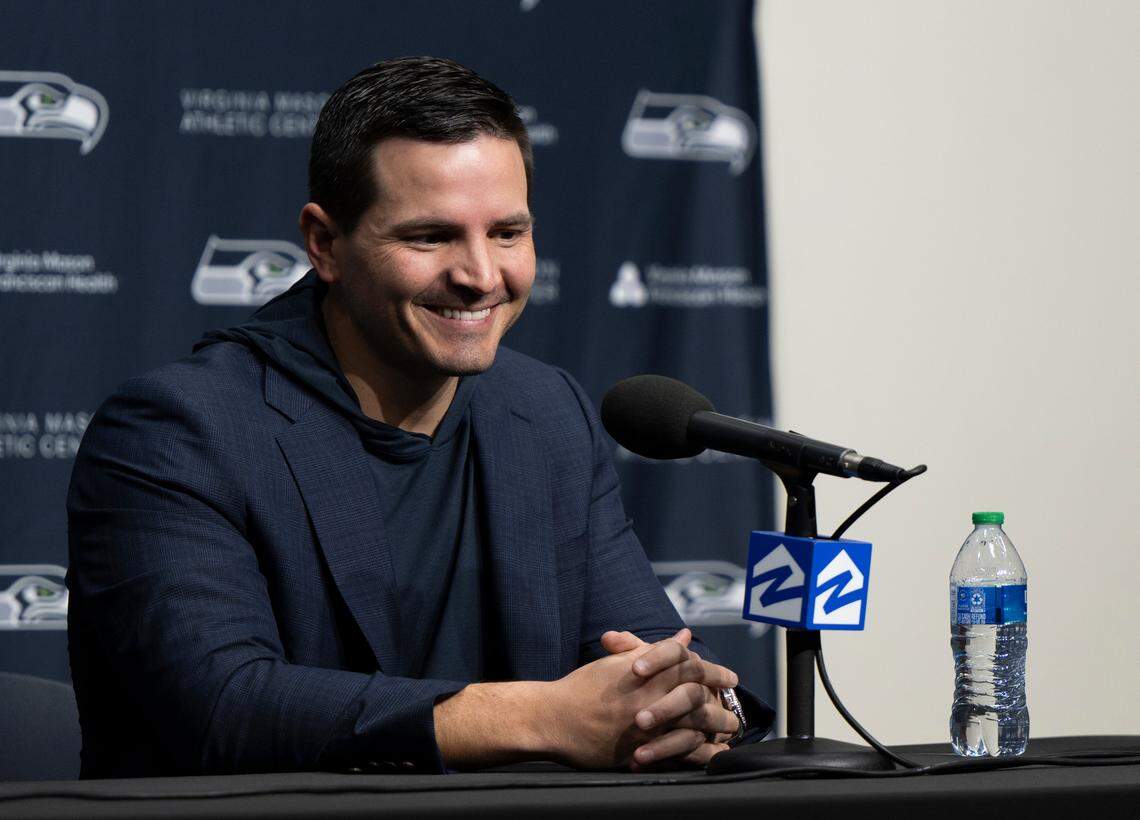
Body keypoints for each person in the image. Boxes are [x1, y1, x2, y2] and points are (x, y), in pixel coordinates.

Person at [66, 56, 773, 778]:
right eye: (430, 236)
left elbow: (650, 653)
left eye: (506, 232)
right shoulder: (177, 430)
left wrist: (696, 706)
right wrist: (541, 717)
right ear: (325, 244)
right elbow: (223, 706)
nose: (480, 276)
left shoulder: (545, 411)